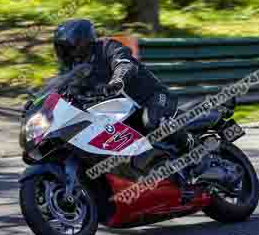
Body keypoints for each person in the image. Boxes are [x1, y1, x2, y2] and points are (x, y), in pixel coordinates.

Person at [52, 19, 194, 152]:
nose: (65, 53)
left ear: (82, 42)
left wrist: (117, 80)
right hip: (118, 112)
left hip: (153, 98)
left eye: (67, 47)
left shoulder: (107, 47)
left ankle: (190, 145)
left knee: (151, 121)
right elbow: (62, 89)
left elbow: (124, 64)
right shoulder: (73, 68)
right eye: (62, 48)